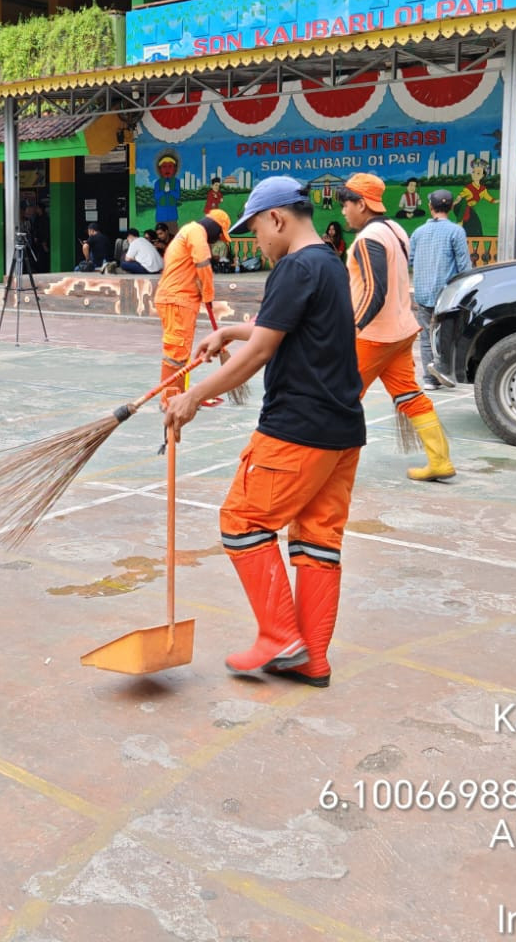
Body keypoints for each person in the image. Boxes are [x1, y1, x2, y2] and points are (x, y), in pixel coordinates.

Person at [163, 177, 364, 685]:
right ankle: (312, 659)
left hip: (296, 428)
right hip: (341, 430)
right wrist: (228, 331)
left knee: (242, 522)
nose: (258, 243)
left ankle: (280, 637)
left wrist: (190, 396)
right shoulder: (328, 263)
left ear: (277, 218)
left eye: (256, 231)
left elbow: (260, 353)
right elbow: (283, 329)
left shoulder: (294, 267)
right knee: (317, 541)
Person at [340, 173, 455, 481]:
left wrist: (353, 328)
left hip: (373, 336)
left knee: (337, 399)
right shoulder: (395, 229)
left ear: (361, 204)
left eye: (345, 204)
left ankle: (324, 467)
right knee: (409, 395)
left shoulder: (368, 238)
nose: (342, 211)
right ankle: (440, 460)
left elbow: (375, 291)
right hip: (400, 332)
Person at [156, 208, 233, 408]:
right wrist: (208, 294)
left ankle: (178, 396)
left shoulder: (189, 231)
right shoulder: (197, 233)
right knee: (176, 352)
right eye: (219, 236)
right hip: (177, 300)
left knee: (180, 352)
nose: (217, 241)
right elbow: (203, 264)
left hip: (180, 300)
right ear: (216, 228)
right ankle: (170, 400)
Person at [408, 189, 471, 387]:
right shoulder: (456, 231)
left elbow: (409, 259)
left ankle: (429, 379)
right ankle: (444, 371)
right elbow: (464, 266)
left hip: (423, 292)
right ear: (452, 207)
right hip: (447, 294)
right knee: (447, 336)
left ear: (430, 207)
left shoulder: (418, 232)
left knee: (426, 336)